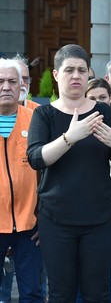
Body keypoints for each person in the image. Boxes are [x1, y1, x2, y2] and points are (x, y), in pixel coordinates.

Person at [27, 44, 111, 302]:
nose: (76, 76)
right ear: (55, 74)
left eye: (81, 70)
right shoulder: (44, 114)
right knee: (61, 293)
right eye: (69, 70)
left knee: (98, 292)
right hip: (57, 220)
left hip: (99, 219)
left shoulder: (103, 112)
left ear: (88, 74)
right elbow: (36, 159)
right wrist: (69, 137)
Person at [0, 58, 44, 302]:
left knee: (32, 293)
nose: (6, 87)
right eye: (0, 81)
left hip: (30, 226)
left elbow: (49, 171)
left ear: (21, 87)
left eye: (12, 81)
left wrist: (44, 215)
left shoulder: (37, 117)